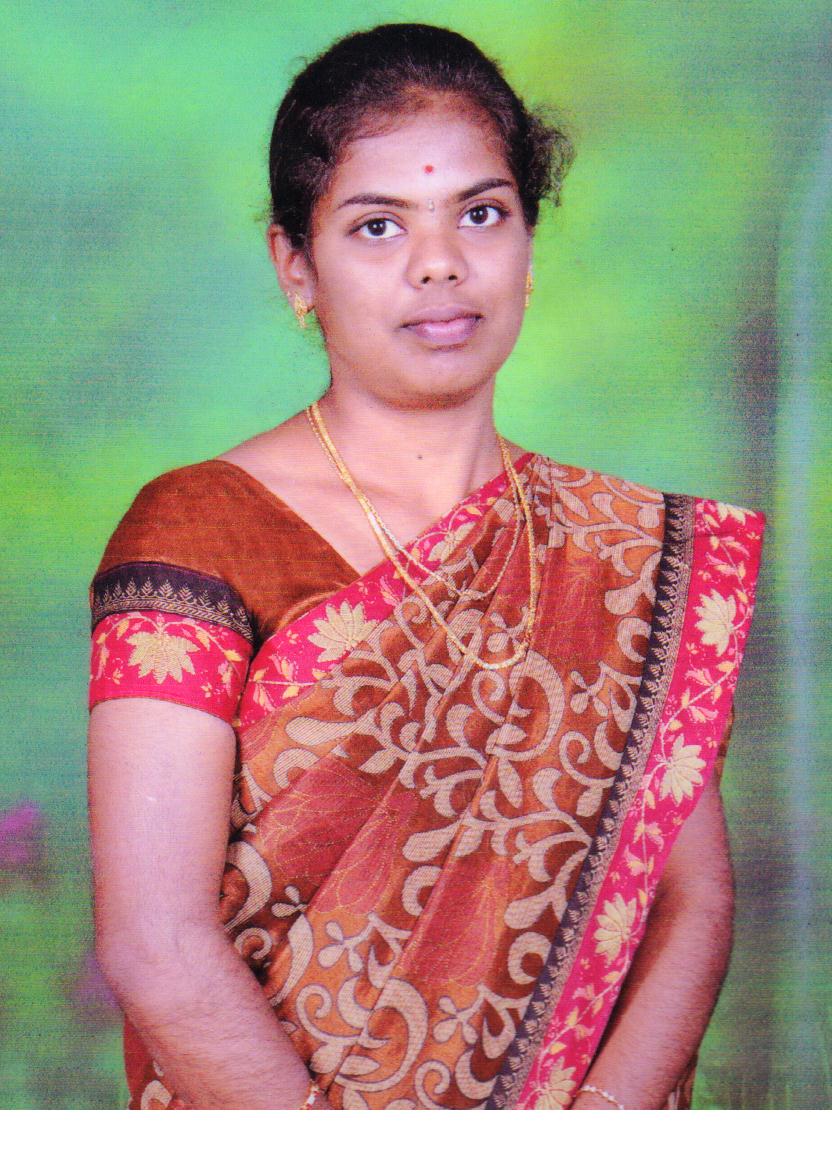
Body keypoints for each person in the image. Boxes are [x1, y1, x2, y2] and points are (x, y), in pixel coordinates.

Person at [86, 23, 765, 1111]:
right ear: (295, 266)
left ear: (529, 247)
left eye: (480, 214)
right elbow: (155, 943)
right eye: (377, 225)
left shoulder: (619, 552)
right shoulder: (198, 531)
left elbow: (692, 902)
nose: (439, 263)